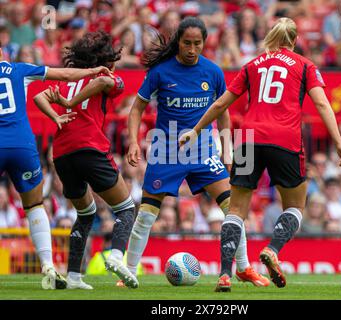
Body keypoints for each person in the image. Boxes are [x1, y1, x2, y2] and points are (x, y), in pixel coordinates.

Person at [179, 17, 341, 292]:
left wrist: (195, 130)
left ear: (271, 36)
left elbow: (221, 102)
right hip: (285, 139)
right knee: (295, 206)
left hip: (248, 139)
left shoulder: (252, 65)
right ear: (294, 41)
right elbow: (320, 102)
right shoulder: (305, 65)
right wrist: (339, 142)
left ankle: (224, 274)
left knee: (235, 210)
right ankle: (272, 250)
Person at [125, 17, 269, 288]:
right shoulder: (160, 72)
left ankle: (244, 268)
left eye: (197, 43)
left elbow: (222, 112)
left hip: (203, 150)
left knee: (233, 209)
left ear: (204, 43)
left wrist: (226, 149)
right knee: (146, 214)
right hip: (166, 151)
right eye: (187, 43)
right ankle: (130, 270)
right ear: (178, 42)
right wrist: (134, 142)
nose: (192, 49)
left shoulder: (213, 72)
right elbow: (136, 109)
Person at [0, 43, 111, 289]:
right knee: (34, 204)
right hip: (22, 144)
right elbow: (66, 74)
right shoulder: (18, 69)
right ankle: (48, 265)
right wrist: (94, 71)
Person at [33, 31, 138, 290]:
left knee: (86, 212)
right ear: (106, 60)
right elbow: (103, 82)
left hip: (62, 154)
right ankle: (115, 257)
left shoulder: (67, 82)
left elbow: (39, 97)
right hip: (89, 148)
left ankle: (74, 277)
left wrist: (56, 117)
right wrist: (72, 102)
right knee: (126, 208)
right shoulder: (107, 76)